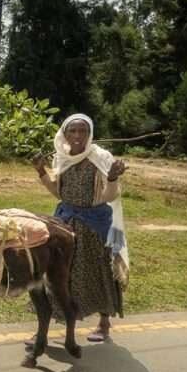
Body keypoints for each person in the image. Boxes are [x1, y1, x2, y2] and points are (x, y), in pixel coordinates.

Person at [31, 113, 129, 343]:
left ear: (90, 133)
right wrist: (41, 171)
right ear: (64, 133)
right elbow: (59, 193)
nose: (77, 136)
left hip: (93, 224)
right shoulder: (62, 158)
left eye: (82, 131)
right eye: (72, 131)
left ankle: (104, 324)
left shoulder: (102, 158)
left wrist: (113, 178)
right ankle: (45, 329)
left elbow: (108, 196)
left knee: (99, 271)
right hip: (65, 223)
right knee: (57, 274)